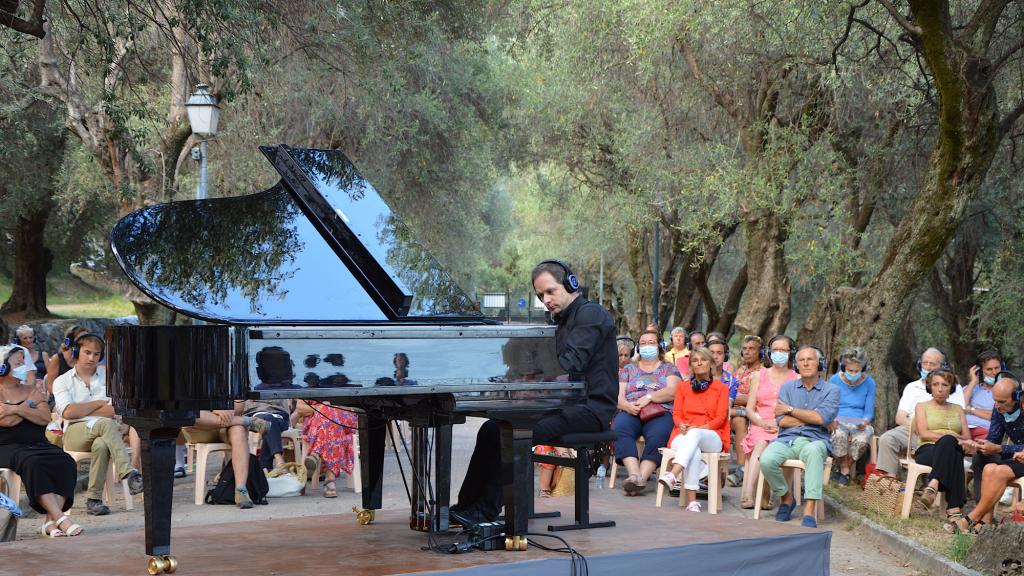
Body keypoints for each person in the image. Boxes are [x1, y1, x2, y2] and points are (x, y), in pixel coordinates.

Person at [450, 260, 617, 525]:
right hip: (566, 405)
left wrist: (528, 370)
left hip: (590, 409)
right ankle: (468, 506)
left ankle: (485, 511)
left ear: (571, 284)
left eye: (550, 292)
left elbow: (571, 364)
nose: (546, 300)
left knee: (509, 432)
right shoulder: (562, 320)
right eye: (541, 296)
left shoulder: (590, 314)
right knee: (491, 429)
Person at [52, 333, 143, 516]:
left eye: (96, 354)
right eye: (87, 352)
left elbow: (115, 410)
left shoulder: (109, 377)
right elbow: (68, 412)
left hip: (104, 432)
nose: (91, 357)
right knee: (106, 424)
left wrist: (83, 409)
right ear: (77, 352)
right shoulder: (62, 381)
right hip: (74, 433)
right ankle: (129, 473)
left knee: (102, 443)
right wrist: (97, 403)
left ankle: (94, 500)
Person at [0, 346, 78, 537]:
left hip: (39, 444)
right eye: (17, 363)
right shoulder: (29, 395)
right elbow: (6, 421)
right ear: (2, 367)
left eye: (23, 363)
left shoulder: (32, 389)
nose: (24, 367)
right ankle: (61, 519)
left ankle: (50, 523)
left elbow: (44, 417)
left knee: (66, 461)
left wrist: (14, 409)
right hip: (7, 447)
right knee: (33, 463)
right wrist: (28, 405)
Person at [760, 345, 840, 528]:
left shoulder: (832, 390)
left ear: (819, 363)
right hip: (786, 439)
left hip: (815, 440)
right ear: (796, 365)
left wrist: (791, 410)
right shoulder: (787, 388)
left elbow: (823, 417)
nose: (805, 363)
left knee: (813, 452)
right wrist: (813, 417)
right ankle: (787, 498)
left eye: (810, 359)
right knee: (766, 459)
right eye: (801, 360)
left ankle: (809, 510)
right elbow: (782, 421)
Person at [658, 347, 730, 512]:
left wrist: (697, 428)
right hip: (683, 435)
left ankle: (673, 473)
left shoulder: (721, 388)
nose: (699, 363)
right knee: (693, 451)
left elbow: (720, 419)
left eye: (703, 360)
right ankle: (692, 503)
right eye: (695, 361)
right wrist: (681, 424)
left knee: (695, 434)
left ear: (711, 364)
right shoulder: (683, 388)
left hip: (711, 435)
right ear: (690, 366)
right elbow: (676, 414)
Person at [875, 348, 964, 477]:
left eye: (932, 364)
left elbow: (959, 419)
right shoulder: (912, 387)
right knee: (887, 439)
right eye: (924, 363)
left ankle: (932, 485)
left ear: (942, 367)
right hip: (913, 430)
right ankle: (890, 482)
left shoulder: (954, 389)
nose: (927, 367)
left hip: (940, 434)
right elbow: (900, 417)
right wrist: (919, 427)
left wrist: (934, 431)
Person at [612, 330, 681, 496]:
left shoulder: (669, 369)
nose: (647, 346)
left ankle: (640, 478)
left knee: (659, 434)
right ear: (637, 347)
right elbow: (618, 395)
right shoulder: (628, 369)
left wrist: (650, 397)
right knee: (619, 428)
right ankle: (634, 475)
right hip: (631, 410)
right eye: (643, 343)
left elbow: (674, 391)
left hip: (660, 411)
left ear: (659, 346)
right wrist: (626, 406)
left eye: (651, 342)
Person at [953, 373, 1024, 533]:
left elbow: (999, 447)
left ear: (1017, 397)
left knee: (998, 471)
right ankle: (985, 522)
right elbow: (993, 438)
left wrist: (999, 449)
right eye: (995, 401)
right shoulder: (998, 409)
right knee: (988, 466)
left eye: (1002, 402)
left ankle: (972, 517)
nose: (997, 406)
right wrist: (978, 445)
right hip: (1017, 456)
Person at [739, 334, 797, 509]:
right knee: (761, 441)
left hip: (783, 425)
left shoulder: (796, 378)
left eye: (783, 350)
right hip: (759, 423)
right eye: (775, 349)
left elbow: (795, 410)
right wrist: (762, 423)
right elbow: (749, 409)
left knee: (768, 444)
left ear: (790, 353)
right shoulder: (759, 375)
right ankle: (749, 493)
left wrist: (780, 422)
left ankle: (766, 493)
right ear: (769, 352)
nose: (778, 353)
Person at [912, 368, 970, 532]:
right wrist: (949, 437)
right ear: (929, 386)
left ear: (951, 387)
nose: (940, 388)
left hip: (951, 451)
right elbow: (923, 433)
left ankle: (934, 483)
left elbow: (967, 436)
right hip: (927, 450)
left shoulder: (958, 409)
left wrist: (952, 439)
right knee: (952, 447)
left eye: (944, 384)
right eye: (935, 384)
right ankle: (954, 511)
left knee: (954, 450)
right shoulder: (921, 406)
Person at [183, 409, 270, 508]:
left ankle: (241, 490)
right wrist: (215, 410)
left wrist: (228, 411)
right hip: (201, 428)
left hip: (228, 423)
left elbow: (239, 404)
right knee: (188, 413)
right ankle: (246, 421)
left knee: (239, 429)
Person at [828, 347, 876, 485]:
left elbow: (869, 410)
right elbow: (830, 405)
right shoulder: (834, 380)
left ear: (863, 368)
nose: (853, 374)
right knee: (838, 435)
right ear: (843, 367)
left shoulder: (870, 383)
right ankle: (845, 470)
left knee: (862, 439)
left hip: (859, 421)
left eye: (857, 371)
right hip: (838, 419)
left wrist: (865, 422)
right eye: (850, 371)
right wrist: (832, 419)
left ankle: (843, 469)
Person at [293, 399, 357, 498]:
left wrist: (329, 408)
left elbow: (353, 406)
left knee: (330, 414)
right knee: (327, 415)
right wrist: (319, 408)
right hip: (318, 420)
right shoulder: (310, 385)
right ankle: (330, 478)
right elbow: (300, 407)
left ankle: (315, 454)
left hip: (343, 417)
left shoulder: (342, 384)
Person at [727, 335, 763, 486]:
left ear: (760, 353)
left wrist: (735, 399)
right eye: (745, 349)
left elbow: (759, 398)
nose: (747, 352)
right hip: (731, 409)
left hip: (749, 413)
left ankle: (741, 469)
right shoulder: (740, 370)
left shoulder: (763, 372)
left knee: (739, 420)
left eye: (752, 349)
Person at [964, 349, 1003, 442]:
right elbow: (960, 406)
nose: (994, 372)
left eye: (997, 368)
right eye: (989, 369)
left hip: (986, 433)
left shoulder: (1006, 391)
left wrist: (971, 409)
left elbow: (997, 416)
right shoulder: (969, 388)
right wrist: (973, 382)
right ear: (980, 371)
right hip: (963, 430)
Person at [45, 325, 88, 395]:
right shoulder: (57, 359)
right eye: (81, 339)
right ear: (70, 341)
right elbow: (50, 387)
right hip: (60, 397)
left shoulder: (88, 358)